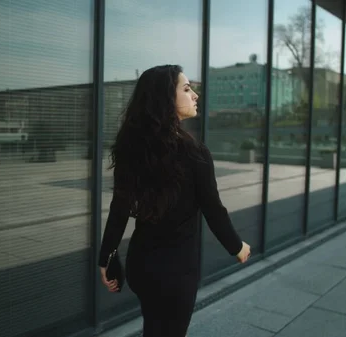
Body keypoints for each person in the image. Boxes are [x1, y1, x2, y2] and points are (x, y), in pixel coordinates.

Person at [97, 65, 251, 337]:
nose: (196, 95)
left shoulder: (132, 148)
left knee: (154, 329)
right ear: (166, 98)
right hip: (176, 271)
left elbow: (119, 209)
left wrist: (106, 256)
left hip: (141, 266)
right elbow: (212, 208)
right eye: (187, 88)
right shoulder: (195, 152)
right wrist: (237, 246)